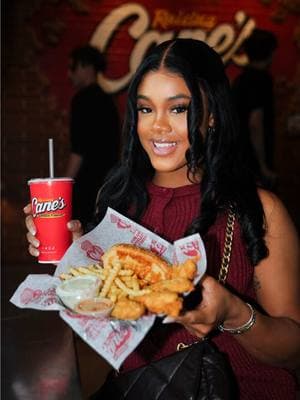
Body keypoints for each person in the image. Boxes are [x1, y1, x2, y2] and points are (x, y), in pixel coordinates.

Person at [24, 39, 300, 399]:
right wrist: (78, 260)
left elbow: (294, 350)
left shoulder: (260, 210)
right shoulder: (118, 202)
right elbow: (108, 329)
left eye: (179, 109)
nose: (158, 127)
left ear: (212, 113)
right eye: (145, 109)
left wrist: (233, 313)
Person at [66, 44, 121, 228]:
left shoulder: (81, 100)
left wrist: (66, 185)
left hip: (85, 186)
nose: (69, 74)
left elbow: (78, 149)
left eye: (72, 67)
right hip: (109, 184)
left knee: (78, 237)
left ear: (86, 66)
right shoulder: (108, 101)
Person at [232, 28, 278, 189]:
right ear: (270, 52)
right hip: (253, 161)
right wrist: (263, 165)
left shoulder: (241, 79)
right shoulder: (262, 79)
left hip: (239, 158)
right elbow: (255, 123)